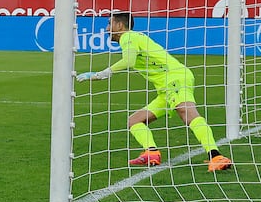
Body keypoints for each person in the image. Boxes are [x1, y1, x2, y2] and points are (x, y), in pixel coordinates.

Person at [77, 12, 233, 172]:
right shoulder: (135, 37)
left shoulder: (127, 37)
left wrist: (100, 74)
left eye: (110, 24)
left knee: (187, 113)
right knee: (134, 121)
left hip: (174, 79)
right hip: (166, 87)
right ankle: (152, 153)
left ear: (119, 25)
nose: (107, 28)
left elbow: (129, 61)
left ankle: (215, 156)